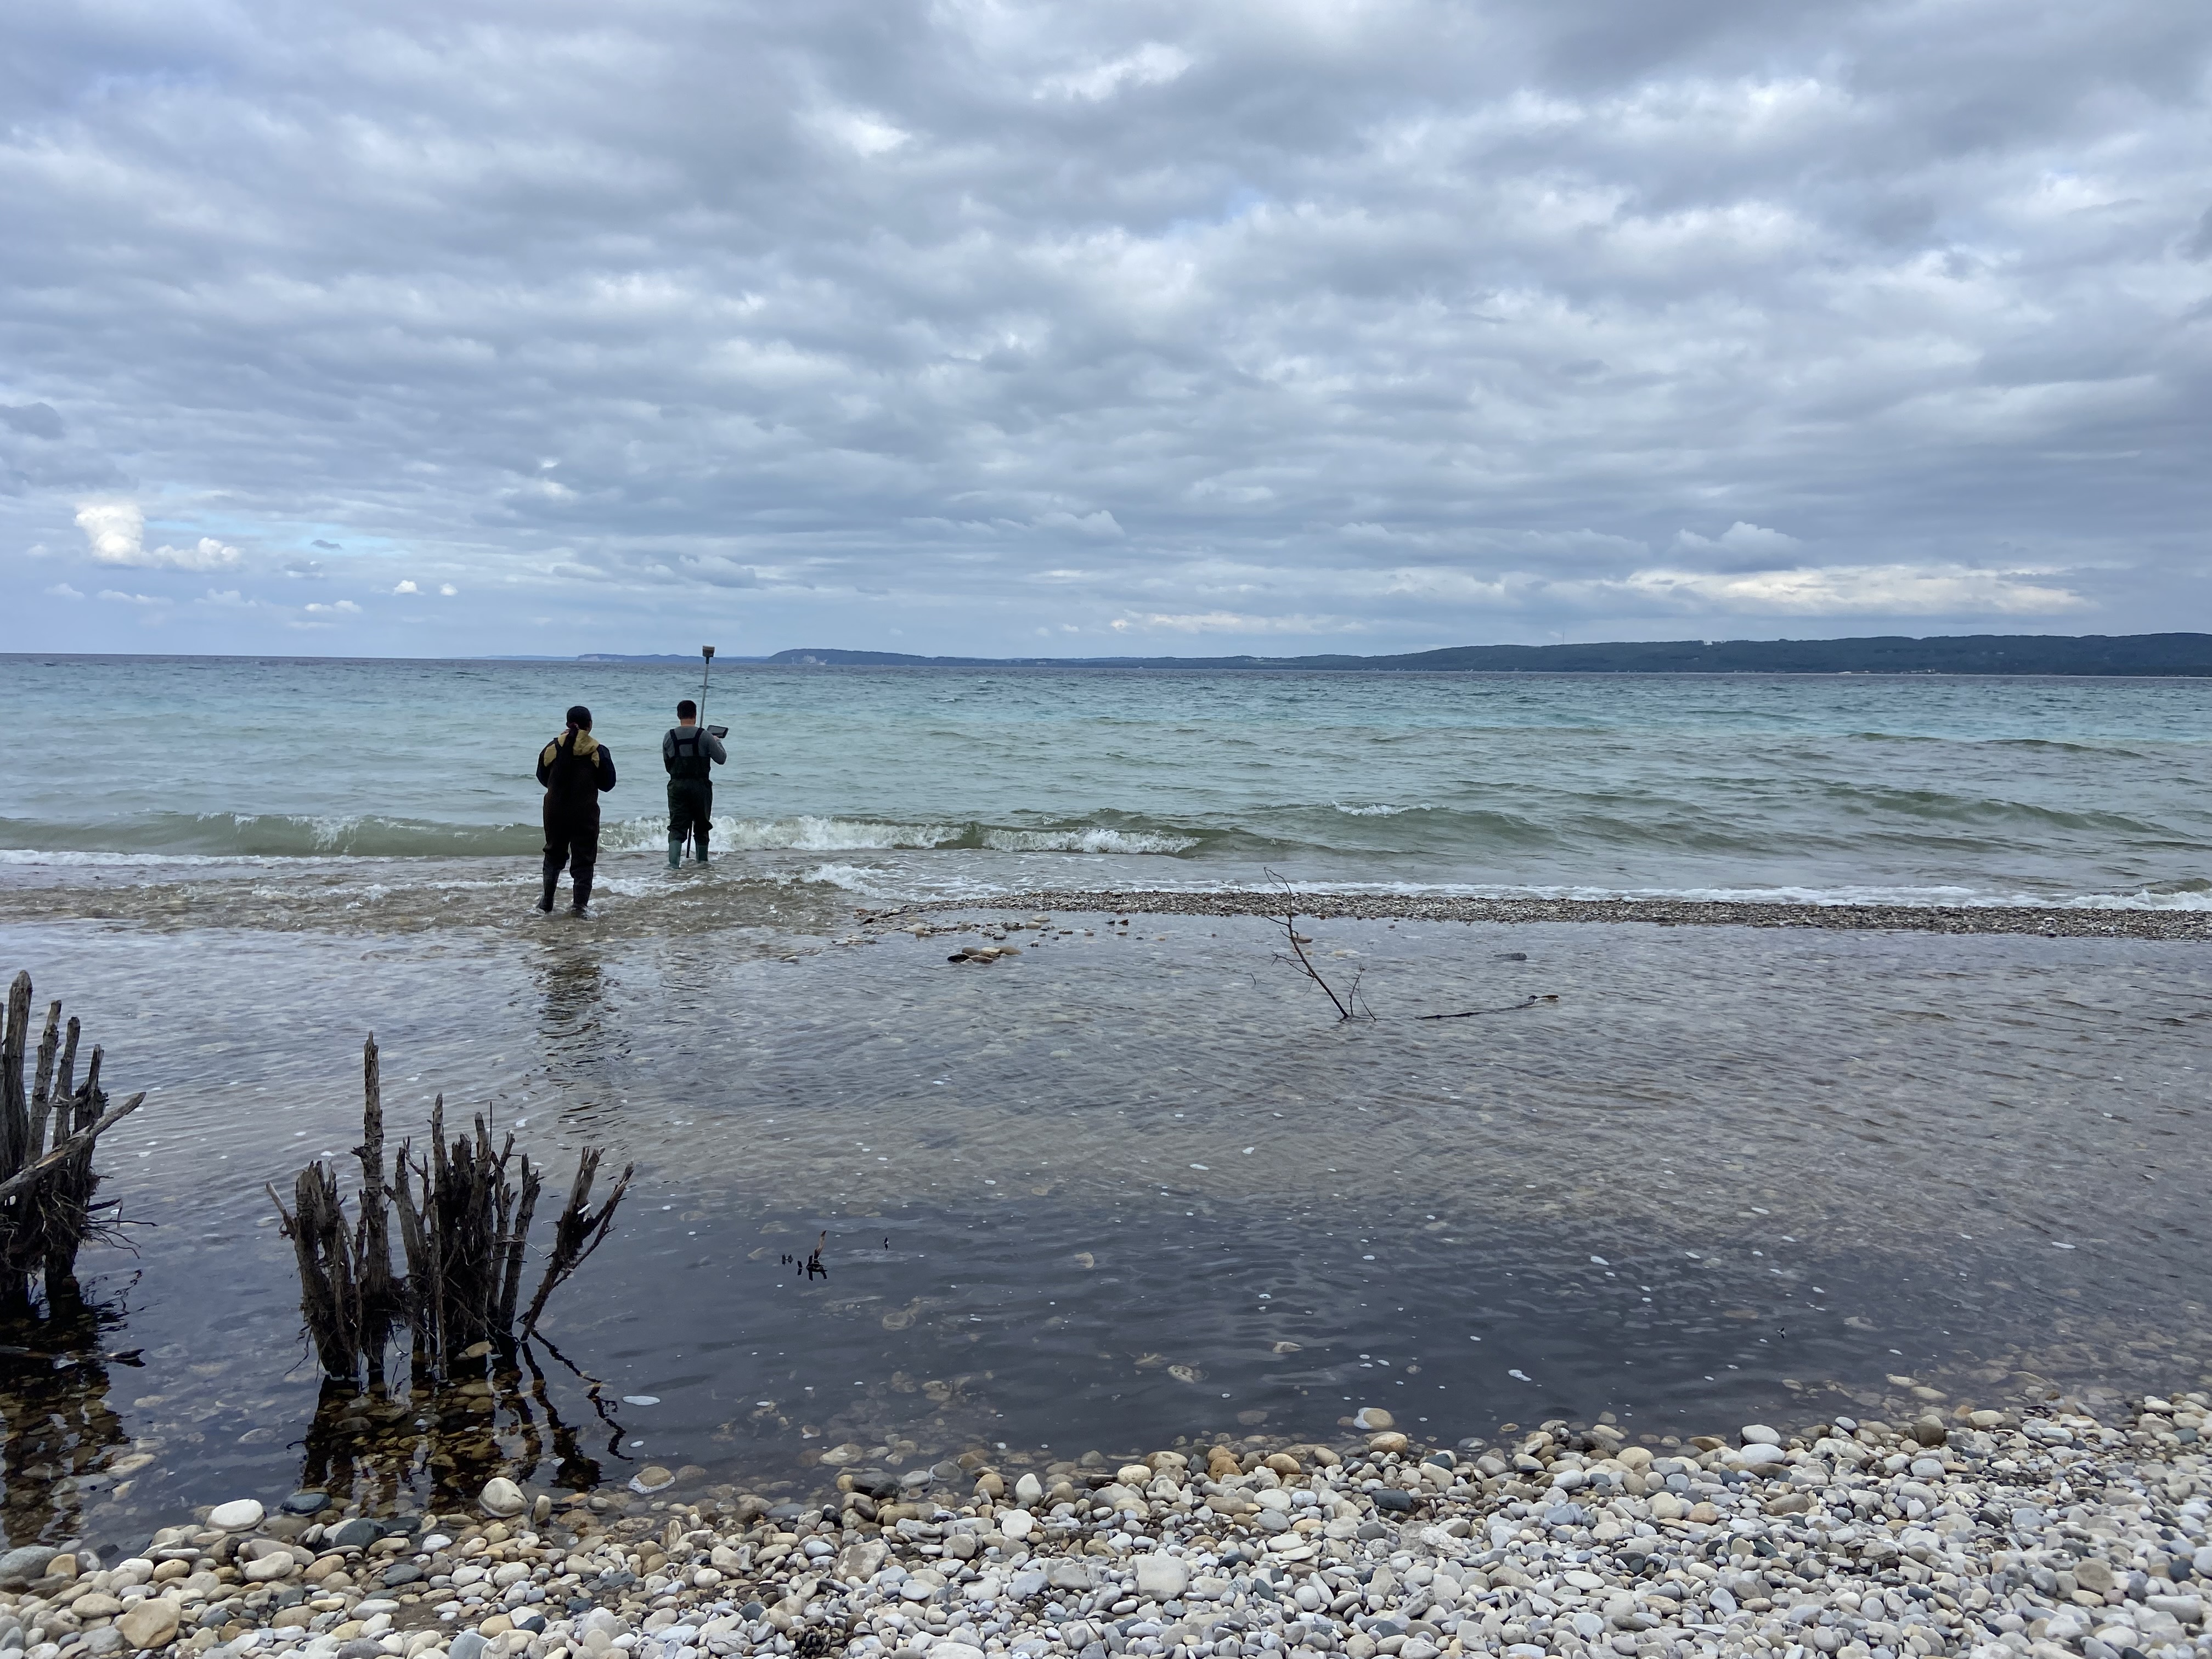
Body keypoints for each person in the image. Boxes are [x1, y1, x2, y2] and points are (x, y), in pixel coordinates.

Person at [535, 704, 616, 914]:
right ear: (589, 725)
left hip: (554, 811)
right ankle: (579, 906)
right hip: (585, 813)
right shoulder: (598, 750)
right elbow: (608, 784)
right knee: (584, 860)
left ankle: (546, 902)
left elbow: (543, 778)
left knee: (553, 855)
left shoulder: (552, 748)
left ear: (567, 724)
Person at [662, 698, 727, 866]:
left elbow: (668, 765)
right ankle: (703, 865)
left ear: (678, 715)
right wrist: (717, 741)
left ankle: (674, 867)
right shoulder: (704, 735)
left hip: (677, 786)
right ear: (695, 715)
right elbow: (721, 759)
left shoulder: (669, 736)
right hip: (701, 787)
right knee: (702, 826)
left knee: (676, 827)